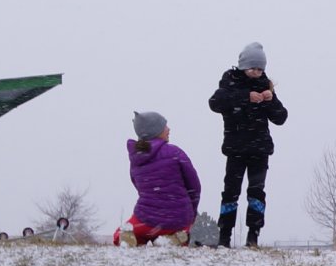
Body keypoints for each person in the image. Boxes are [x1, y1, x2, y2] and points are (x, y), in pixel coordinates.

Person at [207, 41, 288, 248]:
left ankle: (253, 236)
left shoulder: (265, 85)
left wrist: (270, 101)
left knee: (256, 192)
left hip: (260, 150)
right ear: (243, 66)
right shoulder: (230, 81)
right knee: (230, 192)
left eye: (260, 69)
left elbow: (281, 118)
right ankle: (224, 236)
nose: (256, 73)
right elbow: (215, 103)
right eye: (253, 68)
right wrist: (245, 97)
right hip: (235, 149)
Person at [118, 111, 201, 245]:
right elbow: (194, 186)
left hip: (146, 219)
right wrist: (192, 213)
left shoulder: (136, 158)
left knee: (121, 232)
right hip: (179, 218)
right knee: (182, 232)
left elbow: (138, 186)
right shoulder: (175, 152)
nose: (168, 129)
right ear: (156, 131)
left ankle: (132, 239)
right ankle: (173, 239)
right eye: (164, 126)